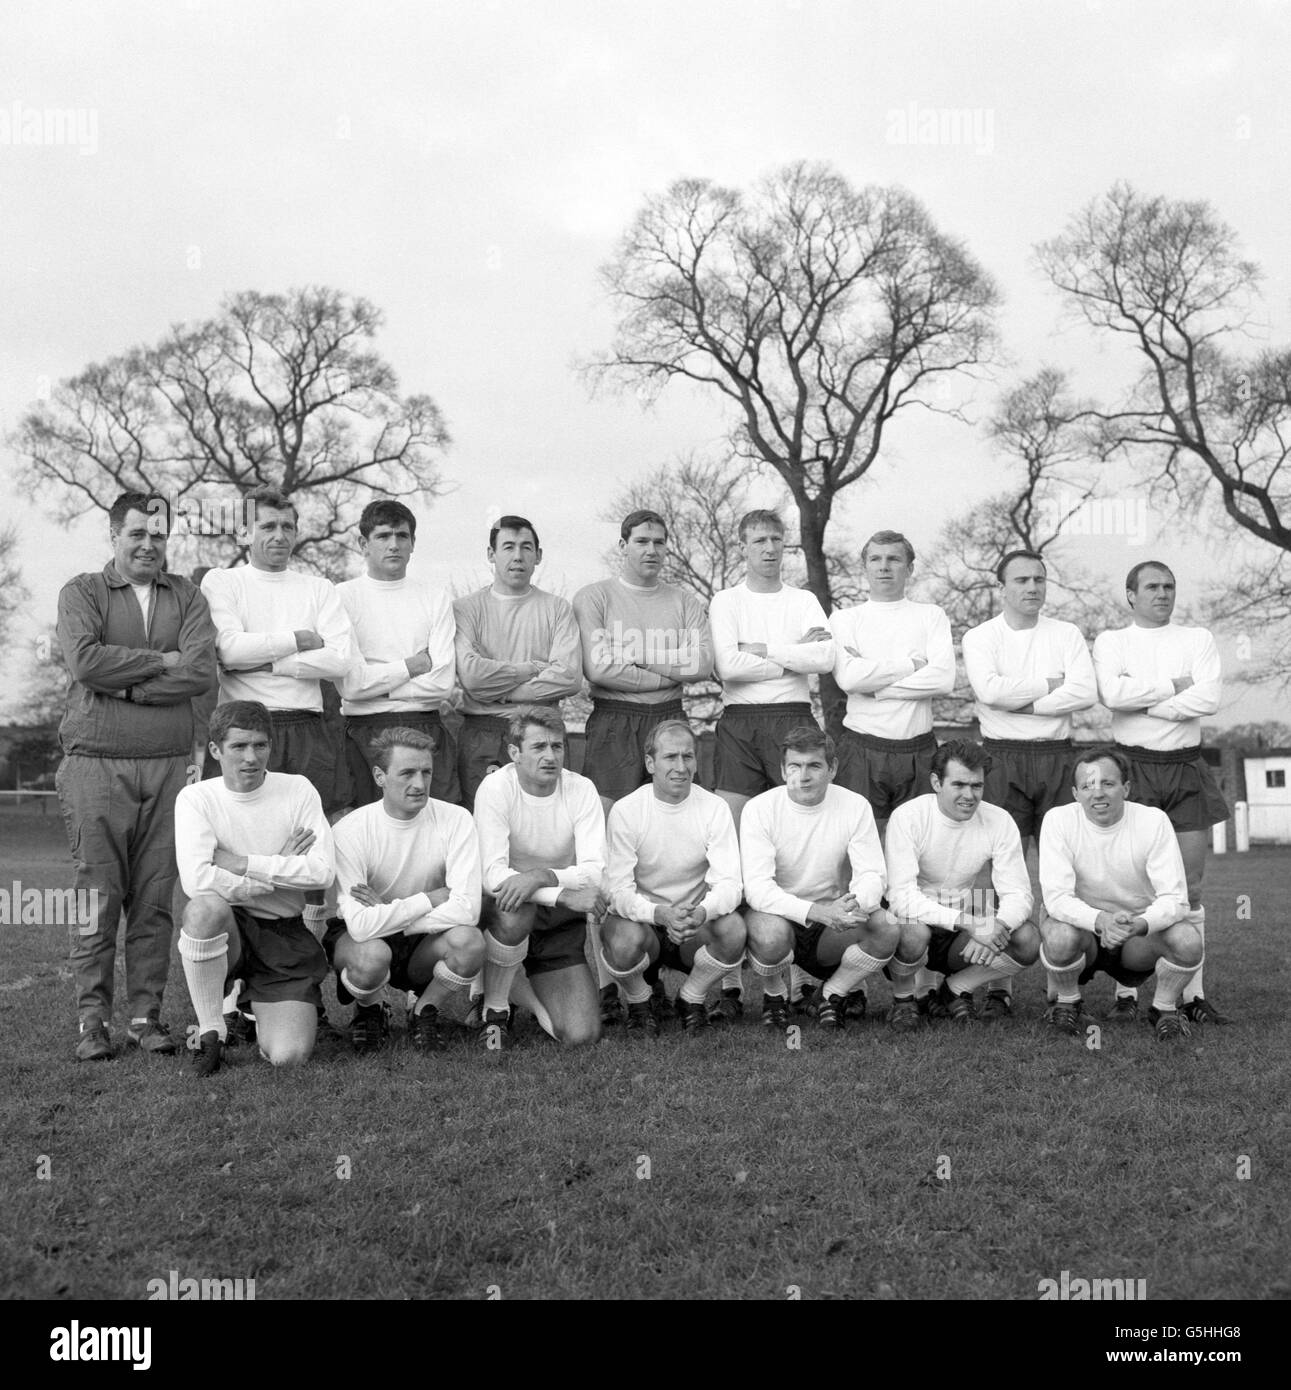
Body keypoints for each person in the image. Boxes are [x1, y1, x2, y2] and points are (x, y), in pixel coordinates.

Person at [55, 491, 216, 1061]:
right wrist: (156, 662)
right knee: (98, 898)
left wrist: (124, 683)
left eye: (158, 536)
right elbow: (84, 662)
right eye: (137, 535)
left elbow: (197, 671)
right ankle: (92, 1022)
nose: (148, 545)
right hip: (95, 763)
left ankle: (146, 1018)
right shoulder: (82, 592)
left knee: (154, 900)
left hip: (170, 765)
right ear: (114, 536)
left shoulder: (188, 596)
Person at [200, 486, 356, 1041]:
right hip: (247, 729)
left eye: (287, 527)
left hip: (307, 728)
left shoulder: (318, 586)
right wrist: (298, 641)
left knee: (312, 862)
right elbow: (227, 650)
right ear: (245, 531)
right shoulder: (223, 581)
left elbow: (340, 658)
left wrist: (275, 659)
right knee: (236, 851)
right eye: (266, 526)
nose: (278, 537)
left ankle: (302, 979)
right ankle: (237, 994)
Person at [707, 509, 834, 1019]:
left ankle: (800, 975)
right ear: (742, 546)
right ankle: (732, 979)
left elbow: (825, 659)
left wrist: (760, 650)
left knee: (796, 839)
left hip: (793, 719)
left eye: (777, 540)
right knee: (733, 845)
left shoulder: (803, 599)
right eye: (758, 539)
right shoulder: (727, 600)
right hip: (739, 723)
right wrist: (790, 655)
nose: (769, 548)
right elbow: (727, 666)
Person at [961, 549, 1097, 1020]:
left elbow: (1084, 690)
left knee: (1061, 873)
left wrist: (1028, 704)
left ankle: (1063, 988)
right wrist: (1049, 683)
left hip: (1057, 756)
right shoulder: (981, 636)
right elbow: (990, 691)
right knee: (993, 876)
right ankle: (999, 985)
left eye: (1039, 579)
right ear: (1001, 588)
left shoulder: (1067, 633)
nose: (1032, 587)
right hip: (999, 758)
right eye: (1021, 580)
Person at [1093, 561, 1228, 1025]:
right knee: (1133, 885)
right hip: (1133, 765)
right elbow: (1112, 694)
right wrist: (1174, 690)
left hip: (1186, 766)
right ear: (1131, 595)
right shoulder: (1113, 641)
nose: (1162, 593)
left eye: (1169, 586)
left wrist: (1144, 701)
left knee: (1189, 887)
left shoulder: (1198, 639)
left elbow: (1209, 699)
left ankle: (1192, 997)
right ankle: (1125, 993)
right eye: (1152, 587)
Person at [174, 701, 336, 1076]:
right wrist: (276, 867)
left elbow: (322, 873)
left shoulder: (298, 790)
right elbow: (197, 881)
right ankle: (212, 1031)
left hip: (283, 934)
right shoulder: (196, 798)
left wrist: (246, 863)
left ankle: (251, 1009)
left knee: (289, 1056)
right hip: (230, 928)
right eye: (238, 747)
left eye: (260, 745)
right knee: (203, 910)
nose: (251, 757)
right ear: (216, 750)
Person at [324, 728, 482, 1054]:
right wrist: (425, 899)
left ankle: (425, 1010)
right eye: (407, 773)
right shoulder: (349, 831)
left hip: (424, 934)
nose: (420, 784)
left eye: (426, 772)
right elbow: (361, 926)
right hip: (371, 938)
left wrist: (393, 912)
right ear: (379, 776)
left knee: (469, 941)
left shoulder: (456, 819)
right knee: (371, 956)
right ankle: (371, 1008)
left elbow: (467, 910)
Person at [1038, 748, 1202, 1043]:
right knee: (1059, 934)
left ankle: (1164, 1010)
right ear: (1075, 793)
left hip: (1134, 935)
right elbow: (1057, 897)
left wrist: (1138, 924)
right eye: (1087, 786)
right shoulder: (1058, 820)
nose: (1097, 793)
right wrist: (1100, 919)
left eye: (1108, 784)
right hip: (1083, 931)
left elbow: (1176, 898)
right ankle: (1067, 1002)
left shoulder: (1153, 821)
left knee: (1188, 940)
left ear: (1126, 788)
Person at [740, 726, 893, 1032]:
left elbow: (873, 875)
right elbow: (757, 889)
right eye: (795, 766)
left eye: (814, 766)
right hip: (779, 915)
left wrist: (852, 905)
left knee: (887, 927)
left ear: (832, 768)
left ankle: (831, 994)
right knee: (769, 936)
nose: (804, 776)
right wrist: (819, 912)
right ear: (783, 770)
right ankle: (775, 996)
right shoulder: (759, 809)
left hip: (832, 920)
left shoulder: (855, 805)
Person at [472, 706, 607, 1048]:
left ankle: (516, 986)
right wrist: (558, 893)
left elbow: (594, 871)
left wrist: (542, 876)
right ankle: (494, 1008)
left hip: (558, 924)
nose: (550, 756)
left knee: (581, 1034)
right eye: (538, 747)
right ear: (514, 753)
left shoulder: (581, 789)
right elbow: (492, 875)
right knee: (516, 907)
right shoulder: (495, 787)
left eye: (557, 747)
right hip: (509, 911)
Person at [600, 720, 746, 1034]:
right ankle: (640, 1001)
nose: (681, 767)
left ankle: (691, 997)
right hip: (646, 924)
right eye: (670, 757)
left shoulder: (714, 808)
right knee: (622, 939)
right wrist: (659, 914)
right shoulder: (627, 810)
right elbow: (617, 890)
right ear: (650, 763)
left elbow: (731, 883)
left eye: (688, 756)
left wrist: (702, 912)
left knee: (733, 929)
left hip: (693, 925)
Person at [884, 741, 1038, 1031]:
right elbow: (901, 897)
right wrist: (972, 924)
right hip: (914, 918)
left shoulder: (999, 820)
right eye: (958, 785)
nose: (969, 795)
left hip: (960, 919)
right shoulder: (908, 816)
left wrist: (998, 925)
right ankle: (904, 999)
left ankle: (954, 989)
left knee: (1027, 939)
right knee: (912, 932)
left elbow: (1019, 893)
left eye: (976, 786)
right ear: (936, 782)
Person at [572, 509, 714, 812]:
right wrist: (672, 672)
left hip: (670, 716)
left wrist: (641, 658)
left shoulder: (685, 601)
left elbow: (701, 664)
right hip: (614, 719)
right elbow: (599, 669)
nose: (652, 550)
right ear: (623, 546)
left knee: (678, 812)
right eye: (641, 541)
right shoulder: (595, 597)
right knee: (606, 814)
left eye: (659, 543)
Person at [453, 515, 582, 809]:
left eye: (526, 547)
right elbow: (472, 678)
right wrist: (531, 669)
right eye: (508, 546)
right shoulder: (465, 609)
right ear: (491, 554)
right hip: (483, 732)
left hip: (542, 728)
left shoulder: (557, 609)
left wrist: (501, 692)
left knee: (549, 820)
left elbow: (570, 677)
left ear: (538, 556)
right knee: (482, 823)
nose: (517, 556)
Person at [338, 499, 459, 808]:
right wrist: (412, 665)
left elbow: (442, 683)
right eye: (383, 536)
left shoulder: (435, 598)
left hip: (426, 727)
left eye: (402, 536)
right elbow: (351, 685)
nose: (394, 545)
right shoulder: (342, 597)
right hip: (364, 733)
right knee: (365, 831)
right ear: (364, 544)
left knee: (437, 829)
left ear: (413, 542)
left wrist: (375, 687)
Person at [829, 530, 955, 824]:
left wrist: (877, 686)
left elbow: (943, 679)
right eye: (875, 558)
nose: (884, 566)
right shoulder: (844, 619)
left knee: (920, 848)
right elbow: (850, 679)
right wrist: (912, 665)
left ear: (909, 568)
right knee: (856, 845)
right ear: (865, 567)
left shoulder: (930, 615)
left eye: (894, 559)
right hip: (861, 748)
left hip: (919, 750)